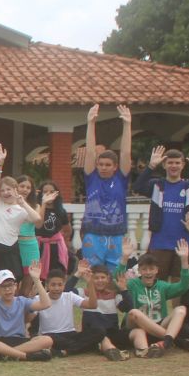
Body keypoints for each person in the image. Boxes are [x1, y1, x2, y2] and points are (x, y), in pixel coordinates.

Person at [134, 144, 189, 280]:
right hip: (159, 244)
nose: (174, 166)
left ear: (183, 165)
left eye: (177, 163)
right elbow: (137, 187)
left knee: (180, 284)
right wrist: (151, 166)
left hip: (182, 245)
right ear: (164, 165)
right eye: (170, 162)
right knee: (157, 283)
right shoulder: (157, 185)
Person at [79, 104, 134, 273]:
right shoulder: (92, 178)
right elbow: (90, 152)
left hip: (116, 235)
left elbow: (125, 153)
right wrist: (90, 123)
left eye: (108, 165)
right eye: (100, 164)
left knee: (116, 275)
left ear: (115, 166)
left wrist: (127, 124)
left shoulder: (121, 179)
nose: (103, 167)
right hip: (93, 234)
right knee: (91, 274)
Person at [123, 241, 189, 357]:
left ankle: (167, 342)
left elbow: (183, 286)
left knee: (181, 309)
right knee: (134, 312)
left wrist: (184, 260)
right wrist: (125, 257)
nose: (148, 272)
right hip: (136, 326)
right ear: (139, 271)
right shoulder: (133, 284)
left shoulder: (162, 286)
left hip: (159, 325)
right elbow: (118, 279)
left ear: (157, 270)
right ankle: (177, 341)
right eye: (144, 269)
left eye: (151, 269)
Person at [0, 260, 54, 362]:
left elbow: (46, 304)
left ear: (15, 286)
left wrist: (36, 279)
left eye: (10, 285)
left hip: (18, 340)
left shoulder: (22, 301)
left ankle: (5, 354)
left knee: (47, 340)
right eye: (4, 286)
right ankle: (25, 356)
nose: (8, 289)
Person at [34, 267, 96, 358]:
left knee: (99, 331)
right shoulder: (38, 299)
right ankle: (82, 347)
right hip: (50, 335)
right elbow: (29, 318)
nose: (56, 288)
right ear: (47, 285)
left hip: (70, 334)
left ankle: (64, 352)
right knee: (52, 340)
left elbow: (92, 305)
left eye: (60, 285)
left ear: (64, 285)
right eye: (53, 285)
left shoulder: (69, 296)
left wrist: (90, 283)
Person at [79, 260, 132, 362]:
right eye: (96, 278)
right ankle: (112, 352)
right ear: (90, 278)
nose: (100, 280)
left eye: (102, 277)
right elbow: (66, 291)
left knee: (135, 332)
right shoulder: (83, 293)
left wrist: (124, 290)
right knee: (101, 335)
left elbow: (128, 308)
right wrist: (78, 274)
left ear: (108, 279)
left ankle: (144, 350)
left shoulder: (114, 295)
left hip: (112, 333)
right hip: (94, 334)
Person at [34, 180, 71, 280]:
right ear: (40, 193)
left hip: (56, 248)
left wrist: (62, 241)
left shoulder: (60, 211)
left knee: (56, 274)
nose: (48, 194)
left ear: (56, 194)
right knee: (39, 275)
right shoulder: (36, 209)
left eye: (51, 192)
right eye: (45, 192)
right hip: (38, 247)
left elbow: (67, 229)